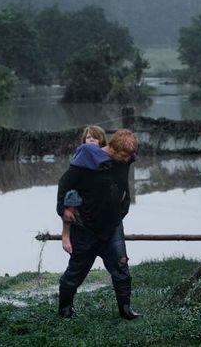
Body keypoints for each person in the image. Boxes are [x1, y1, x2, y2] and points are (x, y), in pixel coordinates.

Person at [56, 129, 141, 320]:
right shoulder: (86, 161)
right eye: (125, 155)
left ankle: (125, 310)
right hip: (86, 226)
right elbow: (64, 183)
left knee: (122, 269)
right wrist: (64, 209)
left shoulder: (124, 158)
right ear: (112, 148)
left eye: (130, 155)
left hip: (112, 225)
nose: (128, 159)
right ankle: (65, 309)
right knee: (76, 272)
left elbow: (130, 151)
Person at [61, 125, 108, 254]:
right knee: (72, 197)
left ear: (101, 141)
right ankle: (65, 235)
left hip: (97, 199)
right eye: (88, 137)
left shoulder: (105, 156)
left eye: (95, 138)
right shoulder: (81, 153)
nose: (91, 140)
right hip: (78, 193)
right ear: (84, 141)